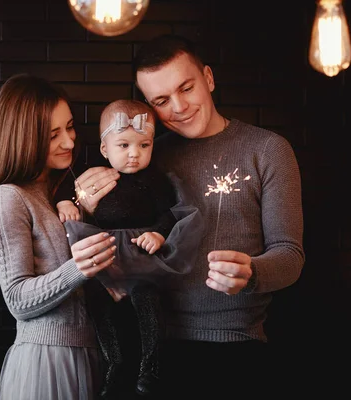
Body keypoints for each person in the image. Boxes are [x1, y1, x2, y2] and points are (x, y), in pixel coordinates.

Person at [73, 34, 305, 396]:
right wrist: (85, 203)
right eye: (161, 101)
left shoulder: (268, 150)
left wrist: (253, 271)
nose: (179, 106)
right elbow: (102, 225)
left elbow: (290, 255)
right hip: (148, 349)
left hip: (236, 348)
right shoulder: (145, 155)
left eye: (187, 88)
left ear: (208, 79)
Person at [0, 73, 118, 400]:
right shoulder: (10, 197)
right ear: (23, 137)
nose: (69, 142)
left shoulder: (59, 192)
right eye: (53, 134)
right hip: (46, 361)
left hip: (88, 353)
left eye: (69, 127)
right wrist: (81, 267)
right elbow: (18, 300)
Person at [55, 99, 204, 399]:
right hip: (105, 253)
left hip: (139, 255)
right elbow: (67, 187)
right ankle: (115, 362)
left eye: (144, 145)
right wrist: (64, 202)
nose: (134, 154)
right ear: (104, 150)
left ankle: (151, 362)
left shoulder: (155, 180)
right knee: (98, 302)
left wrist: (159, 235)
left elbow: (170, 214)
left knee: (147, 298)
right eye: (123, 145)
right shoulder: (94, 174)